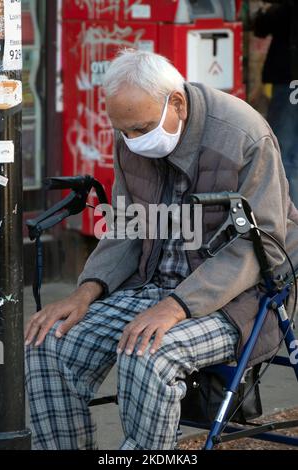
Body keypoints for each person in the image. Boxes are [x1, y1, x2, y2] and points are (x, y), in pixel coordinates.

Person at [25, 49, 298, 450]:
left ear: (178, 103)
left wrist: (175, 306)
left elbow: (255, 247)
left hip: (239, 297)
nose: (131, 141)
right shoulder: (132, 139)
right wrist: (86, 291)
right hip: (152, 284)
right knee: (48, 342)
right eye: (123, 131)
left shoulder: (243, 135)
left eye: (140, 128)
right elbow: (125, 228)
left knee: (147, 354)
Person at [253, 0, 298, 207]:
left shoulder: (286, 7)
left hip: (291, 82)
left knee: (284, 147)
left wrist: (264, 9)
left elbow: (261, 27)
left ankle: (287, 209)